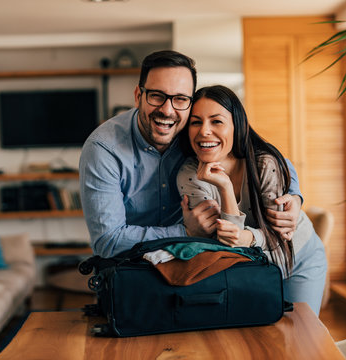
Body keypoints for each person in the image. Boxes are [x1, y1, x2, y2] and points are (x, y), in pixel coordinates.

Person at [79, 50, 302, 258]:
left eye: (180, 99)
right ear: (138, 96)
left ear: (189, 103)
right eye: (156, 96)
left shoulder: (195, 128)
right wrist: (185, 231)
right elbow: (107, 242)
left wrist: (294, 196)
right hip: (130, 268)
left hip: (192, 264)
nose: (167, 110)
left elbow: (260, 154)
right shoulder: (104, 149)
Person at [176, 85, 327, 315]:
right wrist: (226, 188)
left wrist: (247, 237)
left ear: (237, 127)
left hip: (297, 257)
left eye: (216, 121)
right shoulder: (189, 174)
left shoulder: (265, 165)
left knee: (302, 335)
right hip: (250, 268)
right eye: (196, 122)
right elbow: (229, 245)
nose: (204, 131)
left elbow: (280, 237)